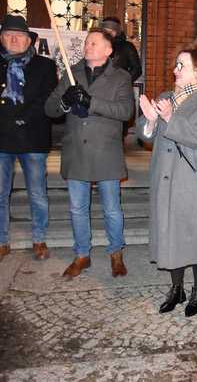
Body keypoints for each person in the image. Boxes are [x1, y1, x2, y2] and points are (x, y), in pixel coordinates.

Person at [137, 45, 197, 317]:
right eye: (175, 65)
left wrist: (169, 118)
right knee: (169, 236)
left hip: (193, 184)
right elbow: (145, 136)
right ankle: (176, 288)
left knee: (196, 238)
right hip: (165, 180)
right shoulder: (167, 96)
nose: (174, 70)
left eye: (181, 66)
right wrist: (151, 123)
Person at [45, 28, 134, 280]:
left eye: (94, 43)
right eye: (86, 42)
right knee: (77, 208)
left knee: (112, 209)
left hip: (106, 152)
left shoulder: (120, 77)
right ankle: (82, 254)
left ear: (108, 50)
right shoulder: (71, 72)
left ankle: (116, 253)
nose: (88, 46)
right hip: (76, 151)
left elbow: (126, 110)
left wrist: (89, 102)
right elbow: (50, 109)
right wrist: (65, 101)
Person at [0, 15, 58, 261]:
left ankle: (39, 238)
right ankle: (2, 241)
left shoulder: (45, 66)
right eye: (8, 35)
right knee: (0, 193)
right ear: (1, 39)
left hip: (32, 137)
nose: (14, 39)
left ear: (29, 40)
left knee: (37, 193)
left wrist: (21, 119)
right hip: (1, 138)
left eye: (19, 35)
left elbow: (45, 100)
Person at [100, 17, 142, 82]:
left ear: (117, 31)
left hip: (119, 88)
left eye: (111, 31)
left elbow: (137, 69)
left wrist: (123, 82)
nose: (108, 34)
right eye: (106, 31)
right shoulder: (97, 45)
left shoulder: (127, 46)